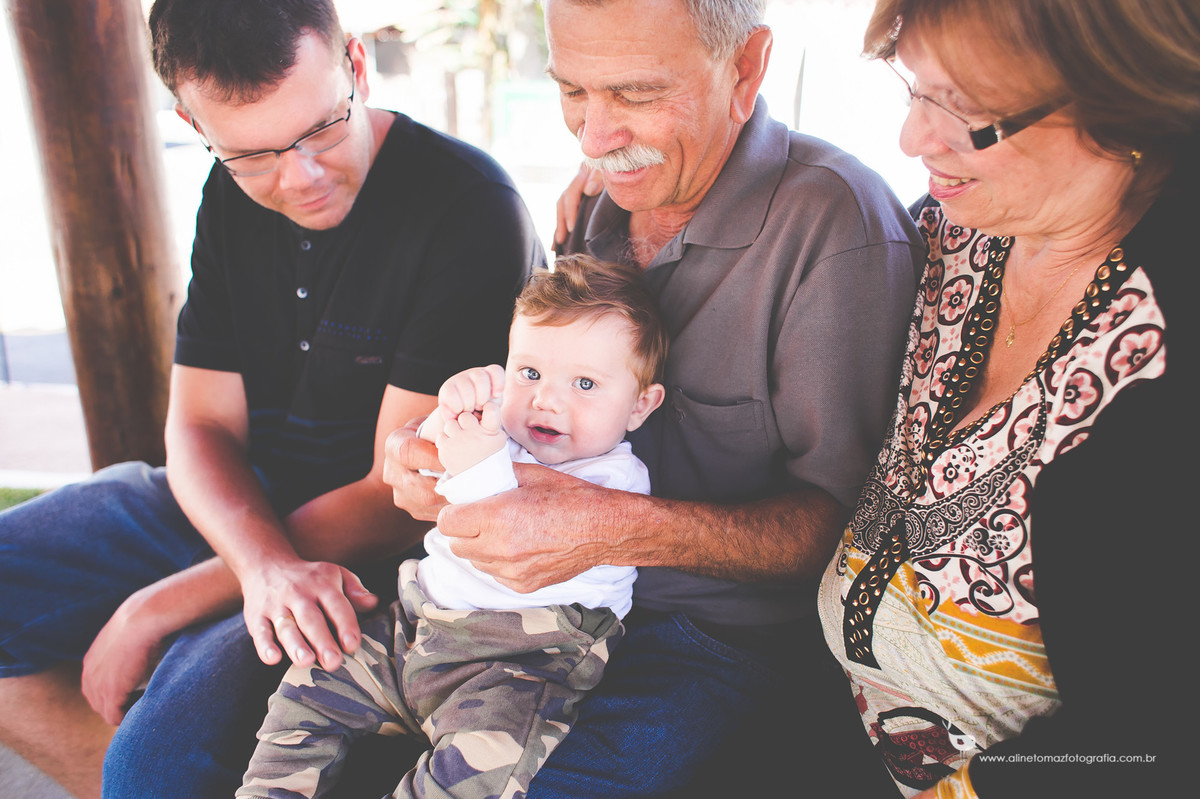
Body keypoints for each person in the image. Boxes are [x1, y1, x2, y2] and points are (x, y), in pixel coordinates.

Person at [0, 1, 544, 797]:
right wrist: (256, 564)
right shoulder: (228, 196)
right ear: (193, 122)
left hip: (358, 555)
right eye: (252, 155)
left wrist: (153, 608)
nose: (299, 178)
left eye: (322, 129)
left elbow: (392, 498)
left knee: (153, 766)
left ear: (355, 65)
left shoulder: (468, 209)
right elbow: (198, 423)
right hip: (236, 518)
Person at [383, 0, 925, 794]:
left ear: (744, 71)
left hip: (705, 642)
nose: (594, 136)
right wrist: (442, 461)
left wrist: (609, 528)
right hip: (520, 614)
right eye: (573, 90)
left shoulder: (835, 227)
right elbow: (542, 421)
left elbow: (846, 531)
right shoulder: (598, 203)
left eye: (635, 94)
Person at [816, 0, 1196, 795]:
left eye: (966, 109)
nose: (914, 138)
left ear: (1120, 98)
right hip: (824, 723)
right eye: (914, 88)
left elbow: (1157, 743)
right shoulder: (960, 229)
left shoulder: (1162, 368)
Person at [239, 254, 667, 799]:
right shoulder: (506, 429)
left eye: (585, 383)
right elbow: (436, 460)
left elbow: (494, 515)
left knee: (478, 773)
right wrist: (453, 412)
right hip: (416, 627)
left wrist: (479, 443)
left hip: (518, 666)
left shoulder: (615, 480)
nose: (547, 399)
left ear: (639, 405)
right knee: (308, 688)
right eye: (529, 373)